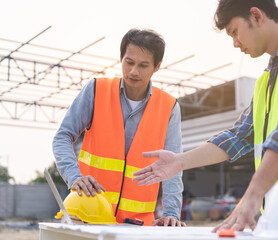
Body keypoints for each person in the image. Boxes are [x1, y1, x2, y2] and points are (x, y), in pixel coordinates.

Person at [132, 0, 278, 235]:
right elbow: (239, 137)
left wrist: (252, 195)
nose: (235, 43)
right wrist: (180, 161)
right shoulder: (267, 79)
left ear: (256, 16)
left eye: (234, 32)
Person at [53, 28, 185, 227]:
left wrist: (172, 214)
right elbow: (62, 137)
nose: (133, 71)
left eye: (143, 65)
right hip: (86, 216)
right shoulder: (96, 90)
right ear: (121, 58)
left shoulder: (169, 107)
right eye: (129, 62)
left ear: (157, 67)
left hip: (136, 225)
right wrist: (74, 178)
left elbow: (173, 165)